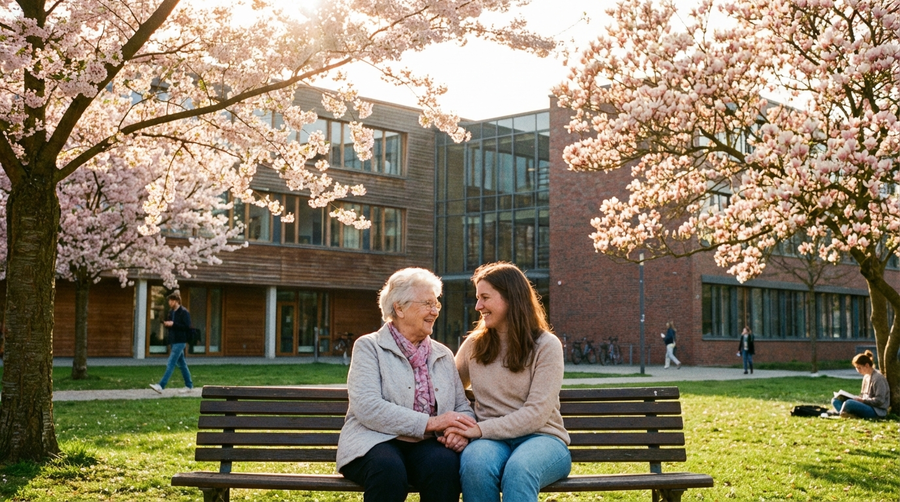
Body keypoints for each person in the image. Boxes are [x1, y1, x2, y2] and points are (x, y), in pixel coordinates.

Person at [336, 268, 476, 502]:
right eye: (427, 303)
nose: (434, 311)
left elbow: (461, 405)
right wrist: (432, 423)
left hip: (426, 445)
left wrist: (459, 432)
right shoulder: (369, 347)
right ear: (399, 308)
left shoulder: (442, 353)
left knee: (445, 466)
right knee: (388, 470)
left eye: (436, 304)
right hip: (375, 441)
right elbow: (368, 407)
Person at [446, 262, 571, 502]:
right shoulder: (474, 345)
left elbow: (536, 414)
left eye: (485, 298)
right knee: (474, 464)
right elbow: (448, 390)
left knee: (519, 470)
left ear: (511, 298)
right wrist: (459, 426)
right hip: (490, 441)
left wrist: (480, 429)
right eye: (477, 298)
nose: (478, 306)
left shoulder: (546, 345)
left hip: (543, 438)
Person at [149, 291, 193, 393]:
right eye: (169, 300)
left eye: (171, 301)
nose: (169, 302)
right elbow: (173, 325)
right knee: (182, 364)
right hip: (173, 340)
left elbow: (187, 327)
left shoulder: (184, 312)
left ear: (177, 301)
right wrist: (168, 324)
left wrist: (173, 324)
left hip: (180, 341)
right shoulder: (171, 312)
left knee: (171, 362)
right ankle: (189, 385)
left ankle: (161, 385)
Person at [831, 350, 889, 419]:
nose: (858, 370)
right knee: (835, 400)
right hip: (865, 404)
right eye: (856, 368)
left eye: (859, 367)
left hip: (876, 410)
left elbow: (880, 401)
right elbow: (862, 394)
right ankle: (846, 414)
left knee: (849, 403)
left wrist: (863, 401)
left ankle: (843, 413)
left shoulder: (878, 378)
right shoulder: (866, 377)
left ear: (867, 365)